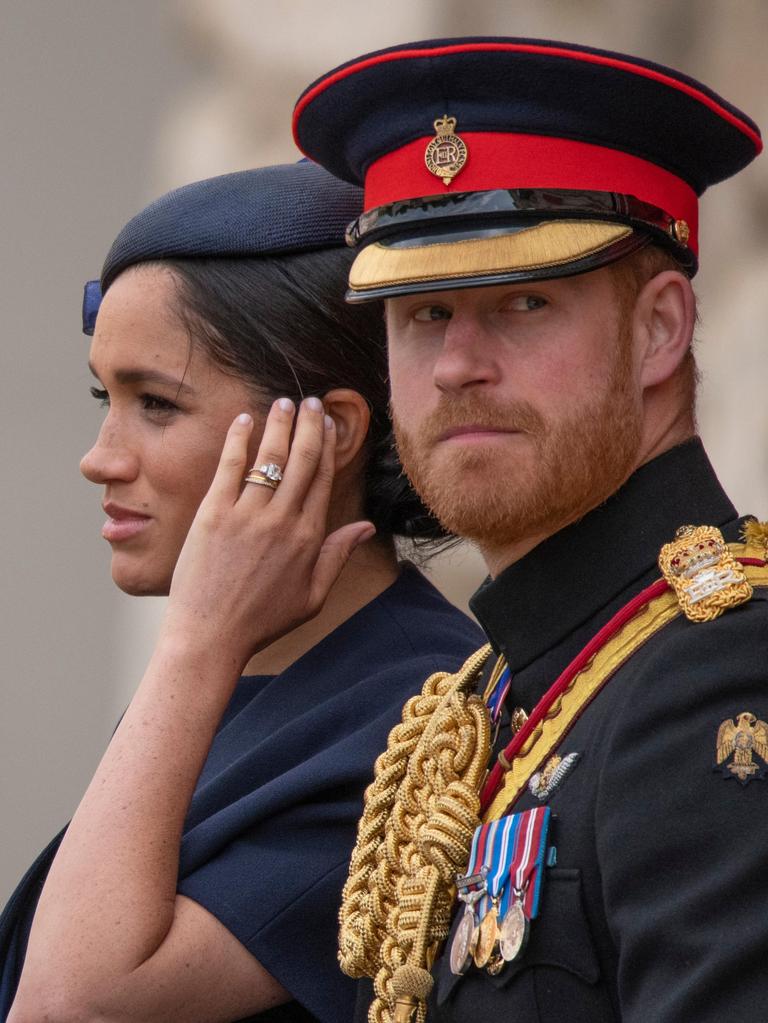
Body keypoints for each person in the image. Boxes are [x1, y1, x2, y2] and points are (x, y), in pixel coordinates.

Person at [293, 37, 768, 1023]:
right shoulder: (492, 691)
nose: (460, 362)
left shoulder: (725, 668)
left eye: (522, 301)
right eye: (423, 314)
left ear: (661, 329)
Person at [0, 160, 483, 1023]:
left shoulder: (419, 716)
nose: (99, 456)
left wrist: (195, 640)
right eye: (102, 397)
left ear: (327, 432)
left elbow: (70, 1004)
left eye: (155, 403)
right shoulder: (246, 673)